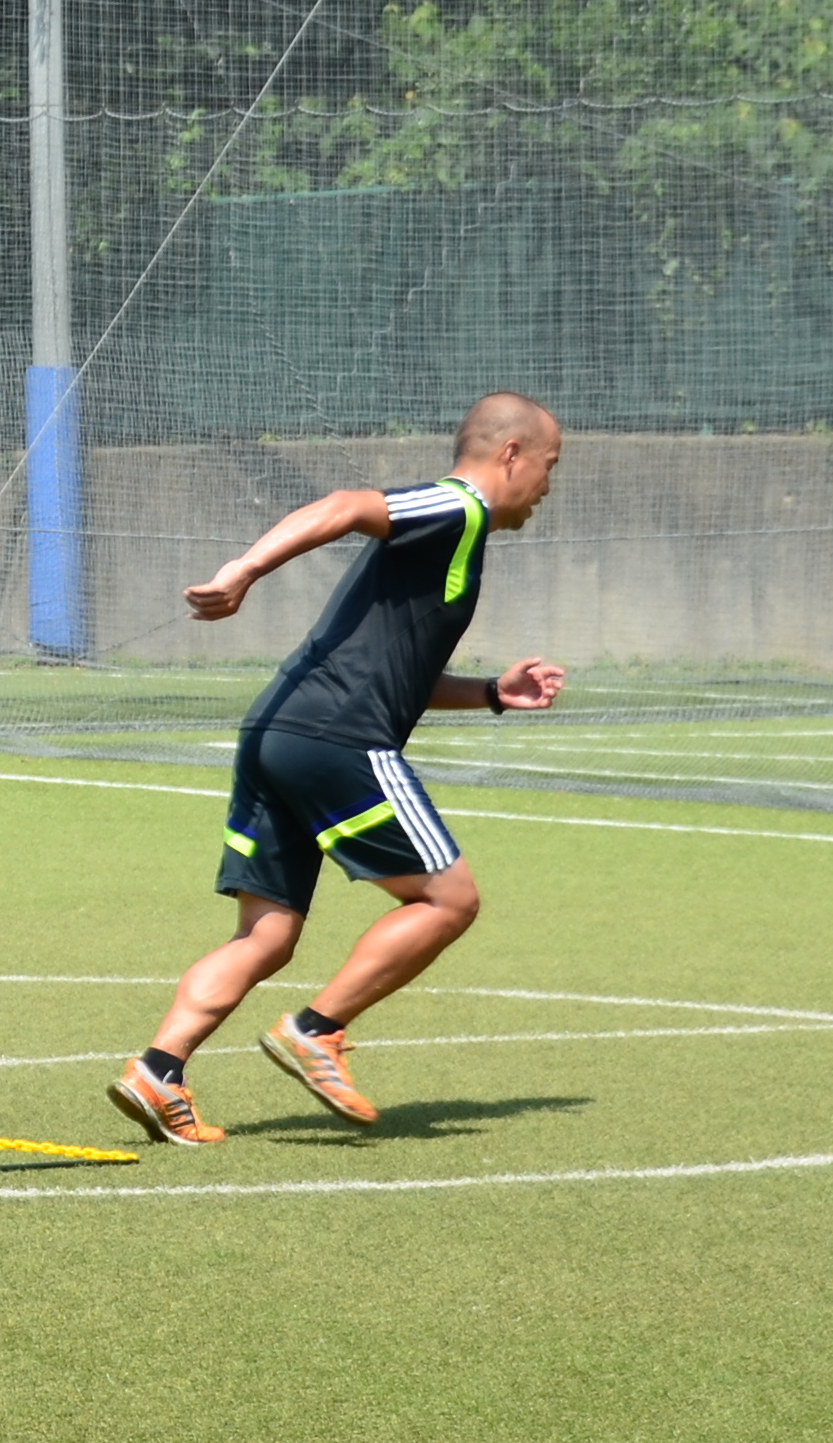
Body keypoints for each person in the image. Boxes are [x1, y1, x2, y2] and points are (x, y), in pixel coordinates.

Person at [106, 395, 572, 1147]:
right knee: (449, 900)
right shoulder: (461, 507)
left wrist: (490, 693)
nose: (549, 487)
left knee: (267, 936)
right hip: (338, 739)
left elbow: (399, 676)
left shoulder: (453, 542)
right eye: (550, 467)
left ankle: (159, 1070)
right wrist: (245, 570)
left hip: (278, 731)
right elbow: (349, 504)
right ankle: (316, 1030)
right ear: (511, 454)